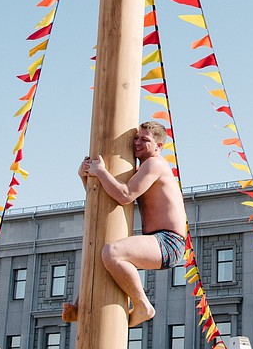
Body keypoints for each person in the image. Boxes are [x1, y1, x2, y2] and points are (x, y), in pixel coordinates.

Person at [62, 121, 188, 327]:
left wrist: (101, 171)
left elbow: (125, 195)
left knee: (112, 253)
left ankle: (143, 305)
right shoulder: (139, 168)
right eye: (136, 138)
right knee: (102, 254)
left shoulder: (155, 164)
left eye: (144, 139)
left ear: (158, 146)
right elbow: (104, 197)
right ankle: (80, 304)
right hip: (155, 238)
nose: (137, 143)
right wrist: (84, 176)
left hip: (169, 241)